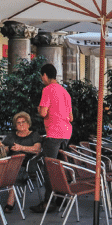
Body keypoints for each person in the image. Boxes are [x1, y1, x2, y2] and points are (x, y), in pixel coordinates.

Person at [31, 63, 72, 214]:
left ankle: (48, 202)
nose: (42, 79)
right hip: (66, 133)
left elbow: (43, 113)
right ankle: (61, 197)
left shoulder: (47, 90)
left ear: (45, 75)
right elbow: (71, 117)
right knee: (59, 168)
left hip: (54, 133)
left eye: (42, 76)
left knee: (49, 168)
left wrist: (39, 109)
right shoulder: (65, 92)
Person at [3, 112, 42, 212]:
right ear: (15, 125)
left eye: (23, 122)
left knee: (15, 170)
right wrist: (6, 148)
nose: (20, 124)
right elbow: (3, 148)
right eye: (18, 122)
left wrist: (21, 148)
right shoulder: (12, 136)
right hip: (9, 162)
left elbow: (37, 149)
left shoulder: (34, 135)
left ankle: (10, 202)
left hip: (26, 163)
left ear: (28, 124)